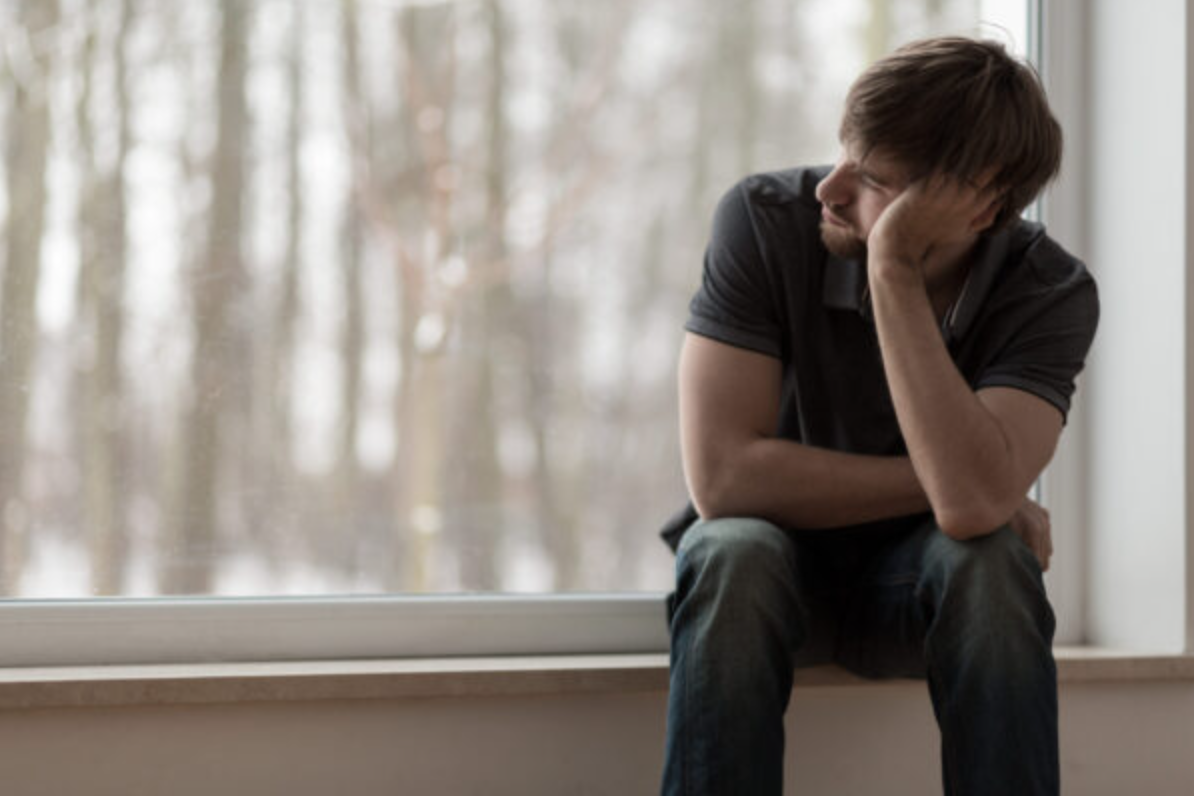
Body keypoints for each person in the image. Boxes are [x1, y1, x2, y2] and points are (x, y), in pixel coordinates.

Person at [659, 36, 1099, 796]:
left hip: (921, 592)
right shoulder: (762, 220)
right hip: (771, 580)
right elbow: (723, 480)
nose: (830, 189)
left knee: (991, 562)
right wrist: (968, 486)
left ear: (977, 206)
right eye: (843, 155)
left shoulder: (1049, 292)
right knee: (732, 549)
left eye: (871, 179)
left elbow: (969, 514)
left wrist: (890, 265)